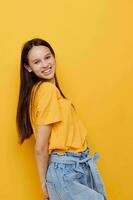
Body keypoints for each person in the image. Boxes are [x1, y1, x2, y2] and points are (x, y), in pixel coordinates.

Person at [16, 38, 107, 200]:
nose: (45, 64)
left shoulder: (40, 92)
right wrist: (44, 184)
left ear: (53, 57)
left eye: (47, 57)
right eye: (37, 62)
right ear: (28, 67)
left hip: (75, 167)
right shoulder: (47, 91)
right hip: (66, 170)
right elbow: (40, 146)